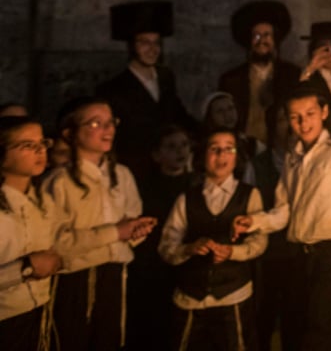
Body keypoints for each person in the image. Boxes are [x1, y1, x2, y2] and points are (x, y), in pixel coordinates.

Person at [234, 84, 331, 351]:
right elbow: (286, 210)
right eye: (295, 117)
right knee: (307, 325)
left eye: (310, 113)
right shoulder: (294, 156)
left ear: (324, 112)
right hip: (300, 255)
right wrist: (254, 222)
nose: (303, 123)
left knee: (322, 329)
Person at [41, 96, 157, 351]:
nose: (107, 130)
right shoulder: (59, 181)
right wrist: (116, 231)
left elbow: (130, 226)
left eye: (110, 122)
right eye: (95, 123)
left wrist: (137, 231)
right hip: (73, 282)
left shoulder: (122, 175)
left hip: (114, 278)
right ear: (70, 133)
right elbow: (56, 242)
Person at [159, 127, 267, 350]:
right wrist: (189, 249)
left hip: (232, 296)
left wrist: (232, 252)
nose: (222, 155)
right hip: (191, 297)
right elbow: (167, 245)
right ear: (202, 155)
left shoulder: (249, 195)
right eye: (214, 149)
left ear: (237, 156)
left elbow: (259, 241)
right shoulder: (187, 199)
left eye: (229, 149)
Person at [97, 1, 196, 181]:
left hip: (169, 171)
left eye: (156, 43)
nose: (153, 49)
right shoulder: (113, 89)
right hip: (137, 171)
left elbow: (178, 114)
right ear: (132, 46)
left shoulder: (166, 78)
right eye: (145, 43)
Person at [125, 124, 193, 351]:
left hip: (186, 267)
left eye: (184, 145)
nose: (180, 151)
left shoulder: (197, 186)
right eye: (171, 147)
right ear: (157, 154)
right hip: (151, 271)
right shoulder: (144, 188)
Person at [0, 115, 61, 351]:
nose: (40, 151)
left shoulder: (42, 200)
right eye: (27, 145)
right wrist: (26, 267)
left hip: (39, 311)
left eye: (42, 144)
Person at [249, 104, 301, 351]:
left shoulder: (309, 160)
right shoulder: (258, 165)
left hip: (299, 250)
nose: (290, 125)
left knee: (296, 315)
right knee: (265, 314)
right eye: (283, 119)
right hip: (268, 251)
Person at [218, 0, 302, 144]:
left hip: (280, 148)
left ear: (274, 40)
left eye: (267, 35)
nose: (262, 41)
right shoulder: (231, 79)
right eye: (256, 36)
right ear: (249, 41)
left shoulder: (292, 75)